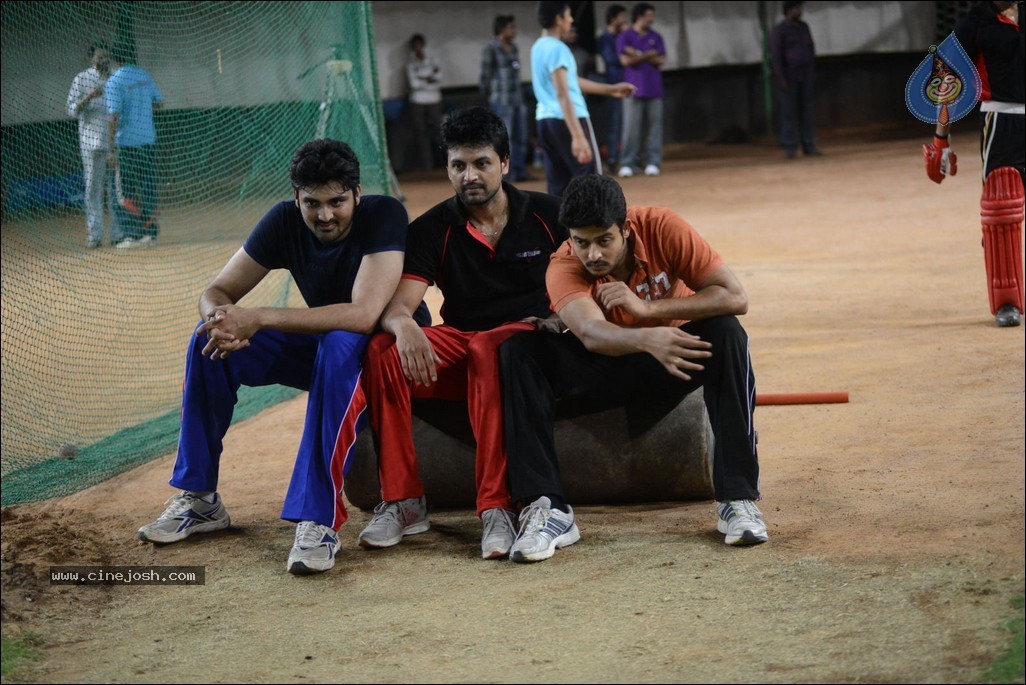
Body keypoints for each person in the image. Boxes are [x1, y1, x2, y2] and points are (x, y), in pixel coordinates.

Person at [137, 140, 424, 576]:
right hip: (323, 348)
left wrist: (257, 317)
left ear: (357, 195)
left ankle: (318, 520)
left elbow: (364, 315)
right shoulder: (283, 222)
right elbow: (216, 293)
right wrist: (220, 321)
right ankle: (199, 498)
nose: (325, 215)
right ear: (296, 198)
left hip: (384, 355)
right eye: (312, 203)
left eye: (337, 202)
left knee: (340, 340)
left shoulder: (384, 214)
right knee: (206, 344)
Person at [500, 174, 764, 563]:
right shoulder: (564, 264)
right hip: (605, 367)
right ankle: (548, 508)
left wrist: (650, 312)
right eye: (581, 241)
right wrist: (646, 338)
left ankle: (737, 497)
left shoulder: (662, 227)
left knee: (727, 333)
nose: (592, 254)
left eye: (603, 240)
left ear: (625, 228)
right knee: (518, 351)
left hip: (675, 361)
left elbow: (734, 296)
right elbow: (590, 333)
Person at [357, 107, 567, 560]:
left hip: (530, 349)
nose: (469, 175)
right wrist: (403, 324)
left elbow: (588, 277)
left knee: (489, 348)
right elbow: (400, 303)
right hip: (466, 344)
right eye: (458, 165)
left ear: (505, 163)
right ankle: (404, 499)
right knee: (381, 350)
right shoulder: (433, 228)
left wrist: (567, 318)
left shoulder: (548, 214)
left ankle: (496, 507)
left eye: (481, 163)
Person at [922, 0, 1024, 327]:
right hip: (1001, 119)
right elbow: (947, 83)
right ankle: (1006, 303)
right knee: (1001, 212)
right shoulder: (975, 22)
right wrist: (941, 140)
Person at [531, 1, 635, 197]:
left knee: (558, 185)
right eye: (569, 16)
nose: (571, 21)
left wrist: (610, 89)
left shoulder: (538, 47)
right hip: (570, 119)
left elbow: (570, 81)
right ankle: (595, 227)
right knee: (592, 182)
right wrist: (578, 136)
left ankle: (558, 228)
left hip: (546, 121)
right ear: (558, 19)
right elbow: (563, 93)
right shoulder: (558, 49)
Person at [105, 42, 163, 249]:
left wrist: (110, 149)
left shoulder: (114, 81)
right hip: (148, 141)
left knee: (123, 191)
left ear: (113, 59)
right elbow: (159, 102)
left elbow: (113, 116)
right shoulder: (144, 76)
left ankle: (131, 235)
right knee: (148, 187)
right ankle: (149, 233)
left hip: (126, 144)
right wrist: (142, 114)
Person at [66, 42, 120, 249]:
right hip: (90, 141)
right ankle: (94, 235)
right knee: (93, 190)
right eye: (99, 57)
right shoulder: (81, 78)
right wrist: (89, 96)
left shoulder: (117, 76)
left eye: (106, 57)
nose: (103, 61)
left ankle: (117, 233)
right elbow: (71, 110)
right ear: (92, 59)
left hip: (115, 141)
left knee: (116, 189)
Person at [616, 3, 667, 178]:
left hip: (655, 90)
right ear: (639, 16)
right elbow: (625, 61)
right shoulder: (625, 36)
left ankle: (653, 162)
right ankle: (627, 163)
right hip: (632, 90)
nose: (651, 19)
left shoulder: (656, 36)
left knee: (654, 128)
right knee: (631, 129)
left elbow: (661, 60)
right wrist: (647, 55)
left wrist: (636, 54)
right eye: (648, 15)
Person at [480, 15, 532, 182]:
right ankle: (506, 175)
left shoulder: (514, 48)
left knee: (521, 138)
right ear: (502, 29)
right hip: (501, 101)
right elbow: (485, 76)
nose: (514, 31)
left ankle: (520, 171)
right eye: (511, 27)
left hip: (517, 100)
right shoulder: (491, 49)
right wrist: (490, 97)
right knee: (504, 139)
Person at [769, 1, 821, 159]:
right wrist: (781, 78)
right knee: (789, 112)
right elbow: (776, 56)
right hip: (789, 77)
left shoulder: (804, 27)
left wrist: (811, 71)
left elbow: (811, 49)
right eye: (797, 8)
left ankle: (809, 144)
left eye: (801, 7)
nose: (800, 10)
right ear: (789, 10)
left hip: (806, 75)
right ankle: (790, 146)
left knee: (807, 111)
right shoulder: (779, 31)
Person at [596, 5, 629, 170]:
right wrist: (627, 50)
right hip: (613, 86)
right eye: (622, 17)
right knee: (614, 123)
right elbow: (611, 59)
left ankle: (628, 157)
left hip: (628, 84)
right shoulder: (604, 38)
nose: (625, 20)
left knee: (627, 123)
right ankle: (612, 158)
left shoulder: (625, 36)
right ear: (613, 18)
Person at [407, 34, 444, 172]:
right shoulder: (410, 62)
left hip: (434, 99)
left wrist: (422, 78)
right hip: (417, 101)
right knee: (421, 134)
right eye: (414, 46)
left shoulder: (433, 58)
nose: (416, 48)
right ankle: (427, 165)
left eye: (418, 45)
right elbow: (413, 83)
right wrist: (429, 78)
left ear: (423, 45)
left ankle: (443, 162)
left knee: (438, 132)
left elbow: (439, 77)